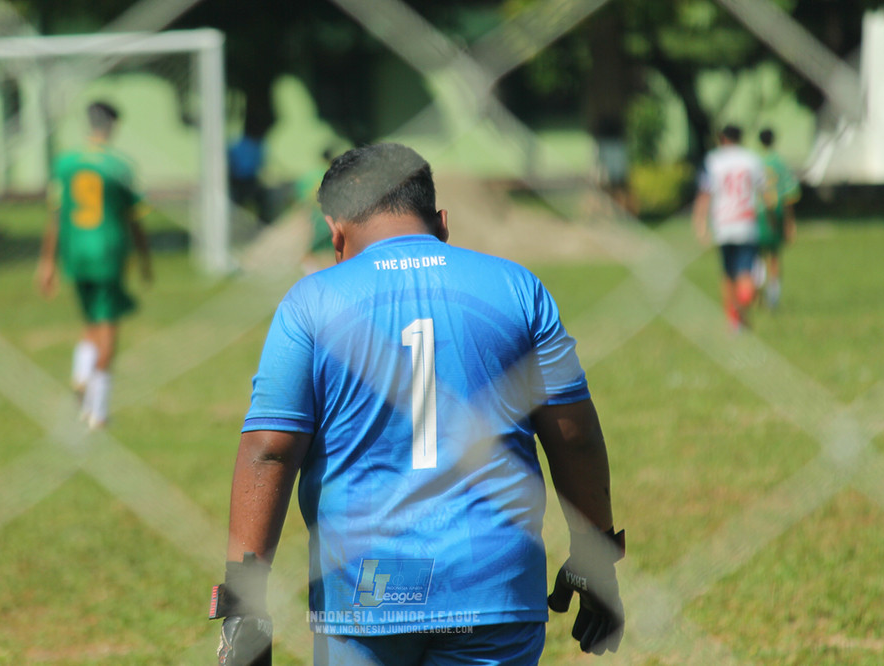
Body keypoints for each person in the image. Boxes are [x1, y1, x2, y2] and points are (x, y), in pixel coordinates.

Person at [210, 143, 625, 665]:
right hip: (493, 584)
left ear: (336, 232)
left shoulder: (312, 303)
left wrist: (244, 600)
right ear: (442, 222)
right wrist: (596, 556)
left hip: (365, 586)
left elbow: (269, 449)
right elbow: (575, 435)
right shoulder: (519, 288)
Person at [36, 101, 151, 430]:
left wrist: (46, 263)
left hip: (75, 252)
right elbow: (135, 219)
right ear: (112, 126)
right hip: (108, 252)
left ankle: (80, 374)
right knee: (108, 328)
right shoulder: (118, 166)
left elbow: (55, 216)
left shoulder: (65, 163)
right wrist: (144, 258)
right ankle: (97, 410)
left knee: (90, 321)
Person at [692, 125, 767, 331]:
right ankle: (743, 306)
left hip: (723, 223)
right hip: (746, 222)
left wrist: (700, 223)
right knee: (745, 272)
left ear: (722, 138)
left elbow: (705, 193)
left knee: (727, 274)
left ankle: (733, 318)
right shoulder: (752, 160)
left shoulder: (713, 160)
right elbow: (765, 191)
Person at [755, 128, 800, 310]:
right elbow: (789, 195)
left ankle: (756, 292)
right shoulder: (781, 163)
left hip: (758, 213)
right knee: (774, 257)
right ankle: (773, 299)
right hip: (777, 212)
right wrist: (790, 223)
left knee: (756, 257)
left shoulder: (756, 161)